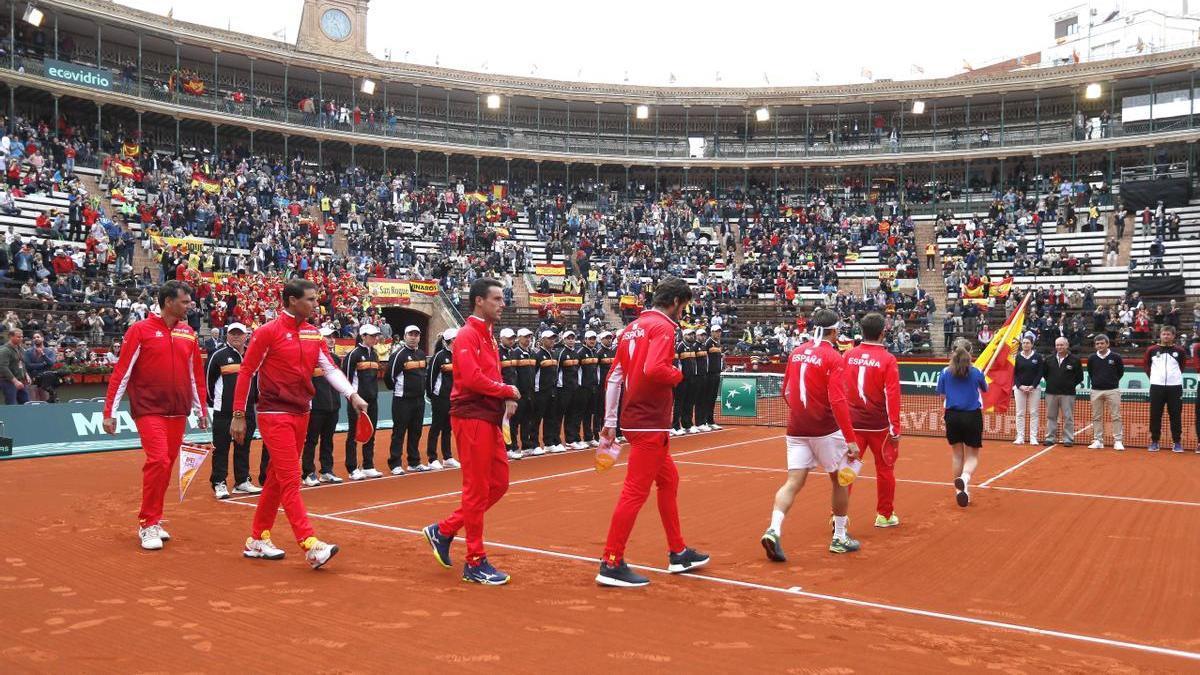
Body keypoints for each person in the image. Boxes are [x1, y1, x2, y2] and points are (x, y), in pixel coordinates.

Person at [231, 278, 368, 569]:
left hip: (301, 412)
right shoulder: (267, 333)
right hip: (274, 413)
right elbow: (246, 372)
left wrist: (352, 395)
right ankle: (310, 544)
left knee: (278, 479)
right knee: (292, 478)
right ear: (292, 301)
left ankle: (257, 539)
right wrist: (239, 415)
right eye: (310, 299)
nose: (315, 303)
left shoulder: (312, 333)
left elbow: (329, 367)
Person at [596, 277, 709, 587]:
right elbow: (654, 369)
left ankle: (678, 551)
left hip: (634, 419)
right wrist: (678, 374)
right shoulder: (664, 328)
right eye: (683, 307)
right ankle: (611, 560)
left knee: (669, 480)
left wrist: (609, 421)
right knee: (635, 491)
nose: (682, 314)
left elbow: (615, 376)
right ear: (674, 302)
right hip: (650, 420)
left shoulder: (632, 328)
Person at [422, 278, 522, 585]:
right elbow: (472, 379)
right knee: (477, 489)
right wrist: (507, 390)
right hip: (471, 417)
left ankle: (445, 529)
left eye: (503, 298)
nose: (502, 303)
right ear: (479, 301)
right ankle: (475, 561)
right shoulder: (467, 335)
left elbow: (487, 376)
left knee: (499, 483)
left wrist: (503, 397)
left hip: (488, 417)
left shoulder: (488, 336)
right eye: (496, 299)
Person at [103, 280, 209, 550]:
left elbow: (195, 375)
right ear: (168, 302)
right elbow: (122, 372)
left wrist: (201, 410)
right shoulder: (140, 330)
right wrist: (109, 412)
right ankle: (148, 523)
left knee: (166, 466)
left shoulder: (188, 333)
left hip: (178, 412)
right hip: (149, 409)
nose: (189, 306)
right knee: (159, 461)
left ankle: (155, 518)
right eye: (185, 302)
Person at [760, 308, 862, 563]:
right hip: (825, 429)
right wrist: (850, 438)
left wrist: (800, 413)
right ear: (834, 331)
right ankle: (839, 537)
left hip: (796, 428)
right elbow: (838, 400)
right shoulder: (834, 357)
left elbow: (785, 390)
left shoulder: (796, 352)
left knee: (793, 482)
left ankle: (774, 528)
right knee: (839, 481)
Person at [842, 313, 902, 528]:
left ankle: (837, 515)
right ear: (882, 333)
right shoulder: (888, 359)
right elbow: (892, 396)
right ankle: (884, 515)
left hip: (852, 425)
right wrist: (895, 430)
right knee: (885, 469)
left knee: (847, 468)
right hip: (879, 427)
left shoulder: (849, 355)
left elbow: (840, 388)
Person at [206, 323, 269, 499]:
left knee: (244, 446)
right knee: (221, 448)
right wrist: (216, 403)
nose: (235, 336)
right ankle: (219, 482)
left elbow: (258, 381)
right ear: (227, 335)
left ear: (246, 336)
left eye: (239, 334)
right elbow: (208, 383)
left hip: (248, 409)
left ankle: (242, 481)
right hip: (224, 412)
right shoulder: (217, 355)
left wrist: (255, 400)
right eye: (232, 333)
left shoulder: (253, 355)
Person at [935, 339, 987, 507]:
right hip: (972, 415)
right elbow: (985, 389)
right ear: (970, 353)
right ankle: (964, 479)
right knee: (972, 456)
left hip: (952, 416)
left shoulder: (944, 372)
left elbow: (942, 396)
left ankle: (960, 491)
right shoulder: (977, 371)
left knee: (957, 455)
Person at [302, 327, 343, 485]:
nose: (332, 339)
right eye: (328, 336)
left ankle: (326, 470)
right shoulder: (309, 358)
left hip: (333, 407)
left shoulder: (335, 359)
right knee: (311, 440)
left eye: (333, 336)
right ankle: (308, 473)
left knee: (328, 440)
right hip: (316, 407)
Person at [343, 324, 384, 480]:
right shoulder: (353, 354)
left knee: (371, 431)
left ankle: (368, 466)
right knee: (354, 433)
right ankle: (352, 468)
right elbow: (346, 380)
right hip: (357, 402)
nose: (375, 338)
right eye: (372, 336)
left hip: (373, 401)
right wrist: (353, 398)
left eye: (376, 336)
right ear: (363, 336)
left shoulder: (374, 354)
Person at [385, 325, 428, 474]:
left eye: (416, 334)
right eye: (410, 334)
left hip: (419, 400)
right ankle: (395, 463)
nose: (413, 337)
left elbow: (424, 375)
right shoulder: (399, 355)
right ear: (404, 336)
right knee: (399, 432)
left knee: (416, 431)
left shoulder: (422, 354)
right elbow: (389, 378)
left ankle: (414, 462)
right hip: (402, 400)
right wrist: (399, 391)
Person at [1145, 325, 1187, 453]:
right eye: (1164, 334)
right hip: (1156, 387)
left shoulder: (1180, 351)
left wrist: (1173, 378)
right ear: (1160, 335)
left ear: (1173, 336)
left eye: (1169, 334)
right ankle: (1155, 441)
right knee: (1155, 415)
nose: (1166, 336)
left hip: (1175, 387)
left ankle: (1177, 442)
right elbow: (1147, 367)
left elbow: (1182, 366)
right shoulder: (1151, 350)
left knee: (1175, 415)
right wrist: (1154, 378)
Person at [424, 329, 459, 470]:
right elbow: (431, 378)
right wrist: (432, 396)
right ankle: (432, 459)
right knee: (436, 427)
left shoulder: (458, 356)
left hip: (453, 398)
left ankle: (447, 457)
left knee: (448, 428)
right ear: (451, 341)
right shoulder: (438, 356)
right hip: (440, 398)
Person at [1086, 334, 1125, 451]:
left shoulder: (1116, 357)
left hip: (1112, 390)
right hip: (1096, 391)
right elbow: (1091, 372)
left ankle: (1118, 441)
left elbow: (1120, 372)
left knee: (1116, 416)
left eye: (1102, 343)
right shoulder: (1092, 358)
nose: (1100, 345)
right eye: (1097, 344)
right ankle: (1098, 440)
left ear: (1107, 344)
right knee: (1096, 417)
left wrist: (1111, 382)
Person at [1043, 337, 1083, 447]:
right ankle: (1050, 438)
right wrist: (1053, 383)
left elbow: (1079, 377)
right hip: (1051, 393)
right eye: (1057, 345)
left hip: (1068, 394)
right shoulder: (1048, 359)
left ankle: (1068, 439)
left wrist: (1069, 384)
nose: (1059, 347)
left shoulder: (1075, 360)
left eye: (1062, 345)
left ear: (1067, 345)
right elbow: (1045, 374)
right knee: (1051, 416)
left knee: (1068, 417)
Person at [531, 330, 561, 454]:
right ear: (542, 340)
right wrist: (536, 391)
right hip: (540, 392)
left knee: (550, 417)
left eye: (553, 338)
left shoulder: (554, 354)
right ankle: (534, 443)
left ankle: (549, 443)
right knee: (536, 419)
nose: (552, 341)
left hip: (552, 391)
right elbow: (534, 374)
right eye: (549, 338)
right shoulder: (537, 355)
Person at [555, 330, 585, 450]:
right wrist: (558, 387)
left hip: (574, 389)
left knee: (572, 415)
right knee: (559, 415)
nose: (571, 340)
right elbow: (556, 372)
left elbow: (578, 371)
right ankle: (556, 441)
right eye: (568, 338)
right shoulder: (561, 353)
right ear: (564, 339)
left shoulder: (576, 354)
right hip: (563, 390)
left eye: (572, 338)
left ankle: (571, 439)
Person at [510, 328, 537, 458]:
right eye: (525, 337)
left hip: (530, 393)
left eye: (529, 337)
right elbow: (512, 374)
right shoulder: (514, 353)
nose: (528, 339)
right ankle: (513, 447)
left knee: (527, 420)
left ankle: (526, 445)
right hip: (519, 393)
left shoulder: (532, 353)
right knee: (515, 421)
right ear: (519, 338)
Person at [1012, 336, 1043, 446]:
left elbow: (1040, 372)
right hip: (1019, 389)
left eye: (1028, 343)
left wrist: (1032, 386)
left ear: (1032, 344)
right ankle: (1020, 436)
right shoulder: (1016, 357)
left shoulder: (1038, 357)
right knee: (1020, 413)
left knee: (1034, 413)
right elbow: (1014, 373)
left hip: (1034, 389)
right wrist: (1020, 386)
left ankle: (1033, 437)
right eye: (1024, 343)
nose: (1025, 345)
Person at [671, 328, 698, 435]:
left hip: (691, 379)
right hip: (681, 380)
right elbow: (677, 365)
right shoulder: (679, 346)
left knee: (689, 402)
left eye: (693, 335)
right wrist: (679, 378)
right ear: (684, 335)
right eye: (689, 335)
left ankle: (687, 424)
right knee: (679, 403)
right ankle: (675, 426)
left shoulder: (692, 347)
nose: (692, 336)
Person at [577, 330, 602, 447]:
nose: (592, 341)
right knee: (581, 413)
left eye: (594, 339)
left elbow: (596, 370)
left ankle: (589, 437)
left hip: (593, 387)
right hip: (583, 388)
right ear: (585, 340)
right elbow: (577, 372)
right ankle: (578, 438)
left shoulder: (595, 352)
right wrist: (580, 386)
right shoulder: (580, 352)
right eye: (590, 339)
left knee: (590, 413)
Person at [697, 326, 724, 430]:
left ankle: (710, 420)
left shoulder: (718, 344)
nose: (718, 333)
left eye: (719, 332)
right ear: (712, 332)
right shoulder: (708, 343)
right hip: (709, 375)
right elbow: (705, 360)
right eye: (716, 332)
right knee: (706, 399)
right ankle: (703, 422)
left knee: (712, 398)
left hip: (717, 374)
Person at [0, 328, 31, 405]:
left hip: (21, 380)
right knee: (12, 405)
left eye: (22, 336)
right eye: (18, 337)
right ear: (10, 336)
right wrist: (15, 381)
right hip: (8, 382)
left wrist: (26, 375)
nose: (21, 338)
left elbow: (21, 363)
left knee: (26, 403)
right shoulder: (4, 350)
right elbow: (3, 367)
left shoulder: (20, 348)